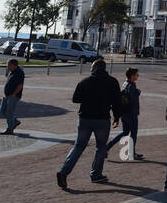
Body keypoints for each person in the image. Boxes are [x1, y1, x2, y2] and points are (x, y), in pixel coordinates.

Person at [56, 58, 124, 189]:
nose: (90, 69)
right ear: (104, 68)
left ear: (94, 68)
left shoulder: (85, 81)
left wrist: (88, 98)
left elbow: (75, 99)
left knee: (79, 146)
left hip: (85, 118)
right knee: (101, 146)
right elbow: (117, 101)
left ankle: (64, 172)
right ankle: (96, 174)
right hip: (102, 119)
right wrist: (117, 117)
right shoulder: (112, 82)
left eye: (92, 67)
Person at [107, 67, 143, 160]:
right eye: (136, 75)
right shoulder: (131, 86)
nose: (138, 76)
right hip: (131, 113)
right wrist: (138, 92)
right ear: (132, 76)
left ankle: (107, 147)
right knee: (133, 134)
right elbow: (133, 99)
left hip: (124, 113)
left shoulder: (125, 83)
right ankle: (132, 153)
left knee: (125, 132)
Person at [0, 58, 24, 134]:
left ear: (14, 65)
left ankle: (9, 129)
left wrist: (14, 94)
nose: (7, 66)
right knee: (2, 110)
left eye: (9, 65)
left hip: (13, 96)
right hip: (6, 95)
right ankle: (15, 121)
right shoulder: (11, 71)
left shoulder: (19, 72)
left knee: (9, 112)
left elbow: (20, 85)